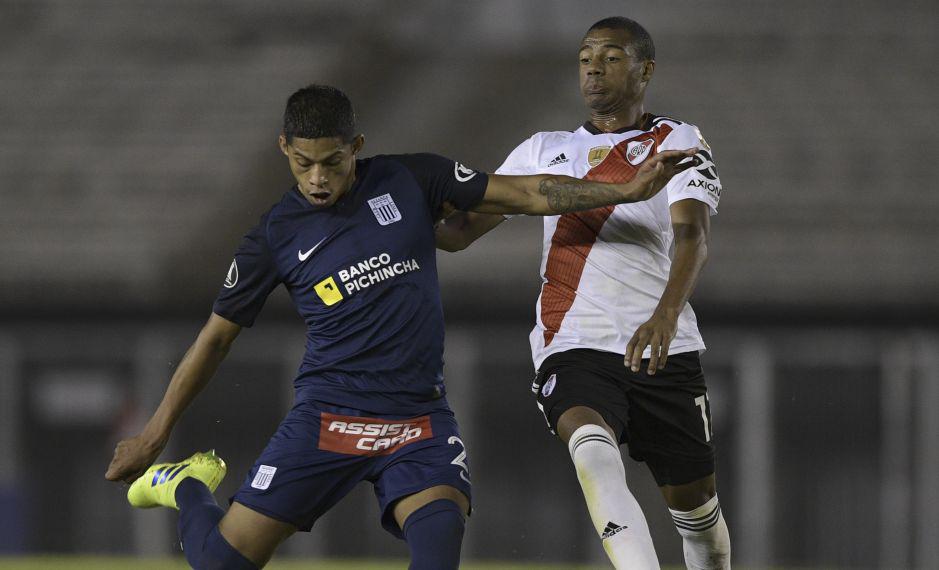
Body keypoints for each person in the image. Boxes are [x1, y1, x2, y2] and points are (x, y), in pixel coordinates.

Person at [104, 84, 696, 570]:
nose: (317, 178)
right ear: (284, 148)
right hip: (327, 417)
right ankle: (185, 485)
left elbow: (525, 192)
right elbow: (216, 337)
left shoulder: (411, 180)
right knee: (220, 564)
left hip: (417, 421)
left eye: (332, 162)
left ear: (356, 147)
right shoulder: (272, 236)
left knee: (438, 553)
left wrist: (624, 188)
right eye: (302, 162)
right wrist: (157, 432)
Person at [435, 16, 730, 570]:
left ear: (646, 70)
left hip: (661, 345)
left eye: (611, 56)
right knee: (592, 453)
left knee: (700, 521)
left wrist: (666, 315)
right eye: (585, 56)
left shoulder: (675, 140)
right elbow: (460, 234)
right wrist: (386, 220)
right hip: (572, 341)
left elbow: (693, 234)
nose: (593, 66)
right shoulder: (540, 151)